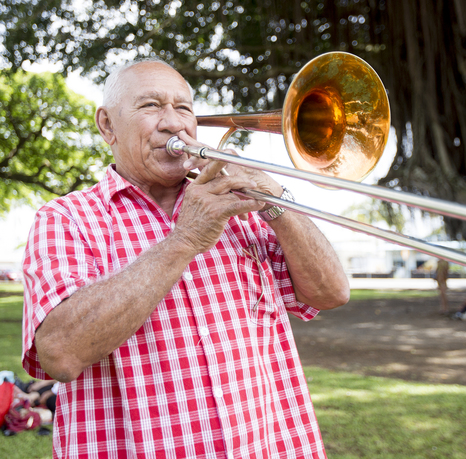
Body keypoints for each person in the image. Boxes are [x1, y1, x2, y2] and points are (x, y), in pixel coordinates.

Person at [22, 59, 350, 458]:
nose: (173, 123)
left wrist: (275, 201)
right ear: (107, 125)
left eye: (184, 108)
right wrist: (186, 238)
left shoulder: (241, 208)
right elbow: (60, 352)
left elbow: (331, 292)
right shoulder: (67, 218)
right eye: (151, 106)